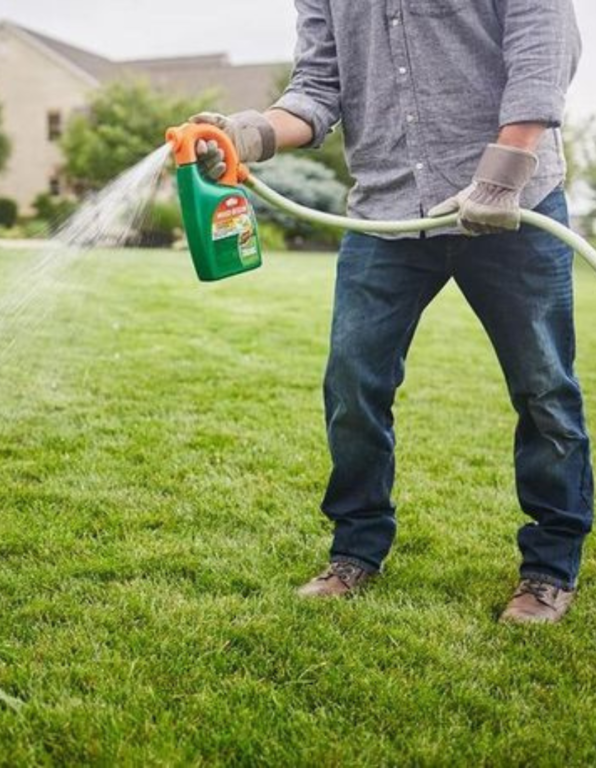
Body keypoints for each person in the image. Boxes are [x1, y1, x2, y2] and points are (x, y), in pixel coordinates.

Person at [191, 0, 592, 623]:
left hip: (511, 205)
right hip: (386, 212)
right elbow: (317, 90)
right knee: (352, 385)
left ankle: (549, 567)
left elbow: (543, 43)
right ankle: (356, 550)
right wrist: (249, 133)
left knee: (544, 389)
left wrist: (506, 167)